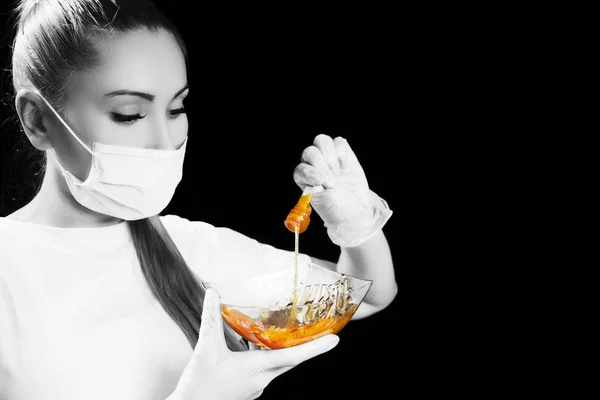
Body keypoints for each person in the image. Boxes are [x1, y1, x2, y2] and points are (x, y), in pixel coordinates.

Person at [0, 0, 397, 399]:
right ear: (37, 120)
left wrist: (356, 225)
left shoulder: (189, 248)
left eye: (176, 109)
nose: (165, 142)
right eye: (128, 114)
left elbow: (369, 294)